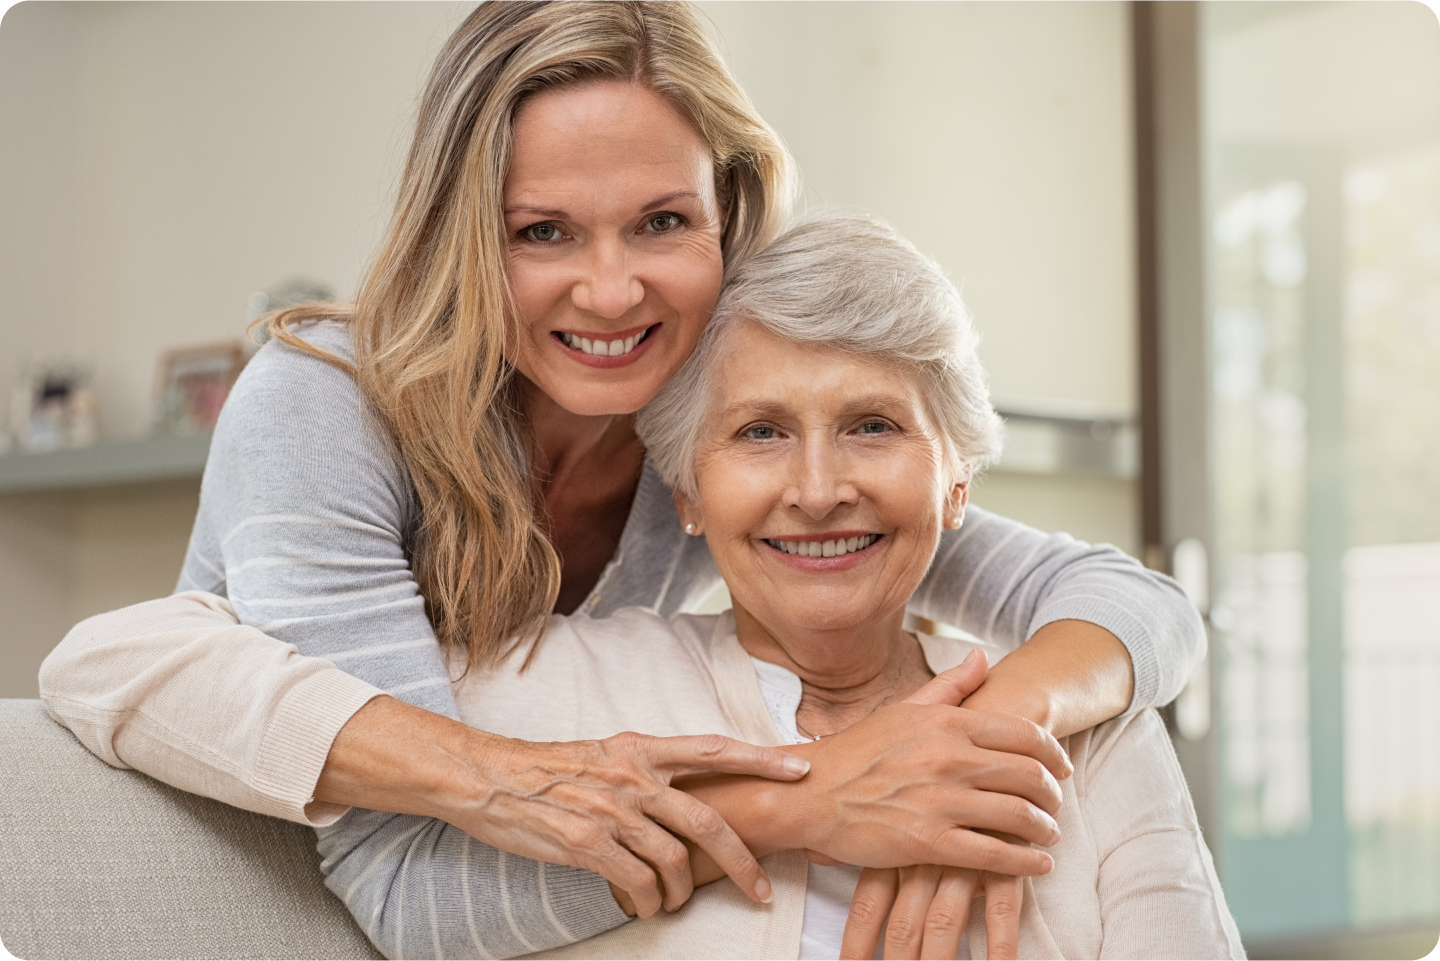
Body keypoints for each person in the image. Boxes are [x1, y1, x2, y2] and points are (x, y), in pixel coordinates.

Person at [40, 1, 1206, 957]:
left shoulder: (708, 431)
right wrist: (815, 797)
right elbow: (403, 887)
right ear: (463, 235)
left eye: (660, 221)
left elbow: (1136, 604)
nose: (611, 293)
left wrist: (967, 746)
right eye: (542, 232)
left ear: (727, 214)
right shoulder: (326, 404)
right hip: (252, 886)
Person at [388, 212, 1251, 958]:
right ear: (687, 492)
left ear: (957, 483)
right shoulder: (545, 685)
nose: (817, 489)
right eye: (760, 431)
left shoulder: (1095, 732)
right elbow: (399, 891)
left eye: (872, 425)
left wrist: (977, 747)